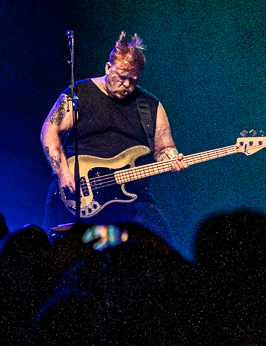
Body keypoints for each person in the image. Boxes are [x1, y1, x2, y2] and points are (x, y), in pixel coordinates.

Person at [39, 31, 183, 242]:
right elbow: (49, 132)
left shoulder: (150, 105)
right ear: (108, 68)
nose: (126, 85)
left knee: (162, 247)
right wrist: (63, 173)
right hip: (77, 191)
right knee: (51, 252)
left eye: (132, 80)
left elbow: (164, 149)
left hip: (132, 196)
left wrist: (172, 157)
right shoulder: (78, 93)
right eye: (121, 77)